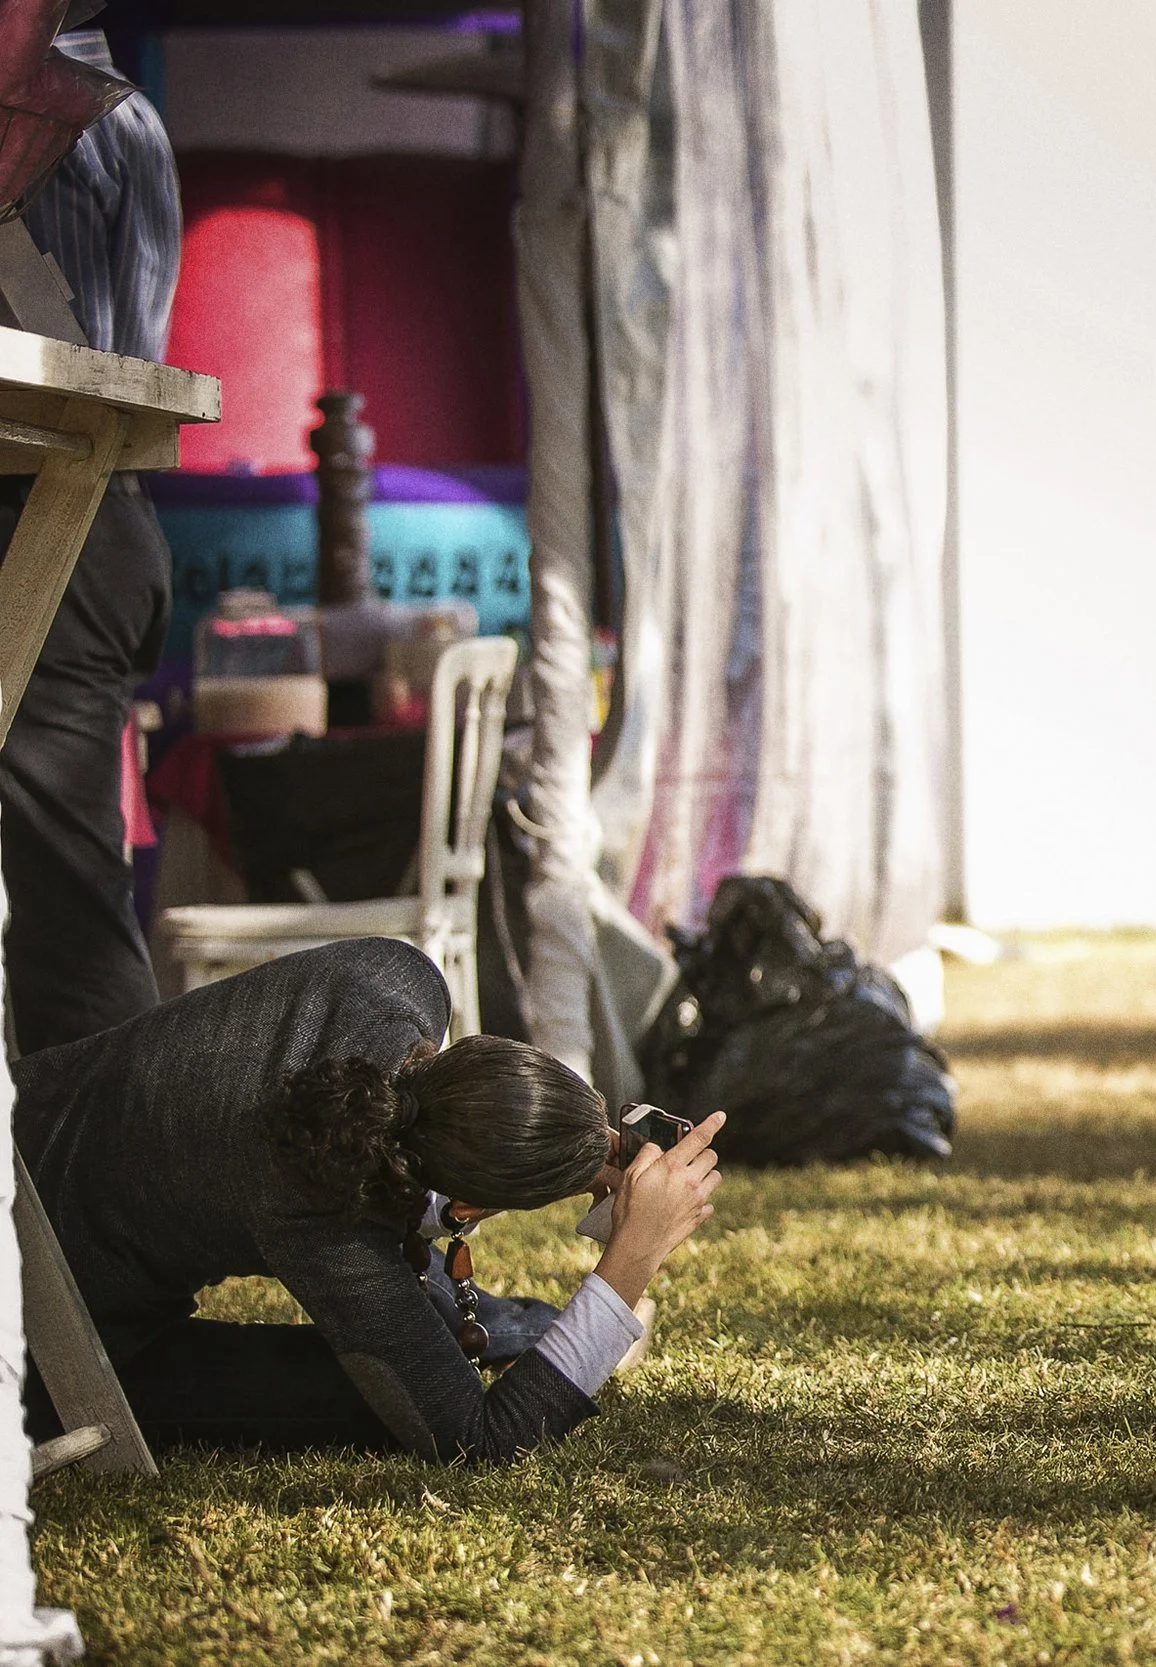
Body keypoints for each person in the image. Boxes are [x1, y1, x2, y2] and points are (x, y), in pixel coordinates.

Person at [13, 937, 722, 1461]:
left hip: (23, 1115)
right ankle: (535, 1333)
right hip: (40, 1327)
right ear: (467, 1212)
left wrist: (587, 1149)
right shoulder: (324, 1219)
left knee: (422, 1349)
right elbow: (479, 1439)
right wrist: (631, 1258)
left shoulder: (396, 977)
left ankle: (525, 1330)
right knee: (376, 1397)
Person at [0, 15, 182, 1052]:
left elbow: (122, 379)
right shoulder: (135, 125)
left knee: (64, 899)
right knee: (64, 884)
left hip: (54, 514)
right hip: (93, 516)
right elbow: (141, 352)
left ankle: (104, 1187)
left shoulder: (96, 122)